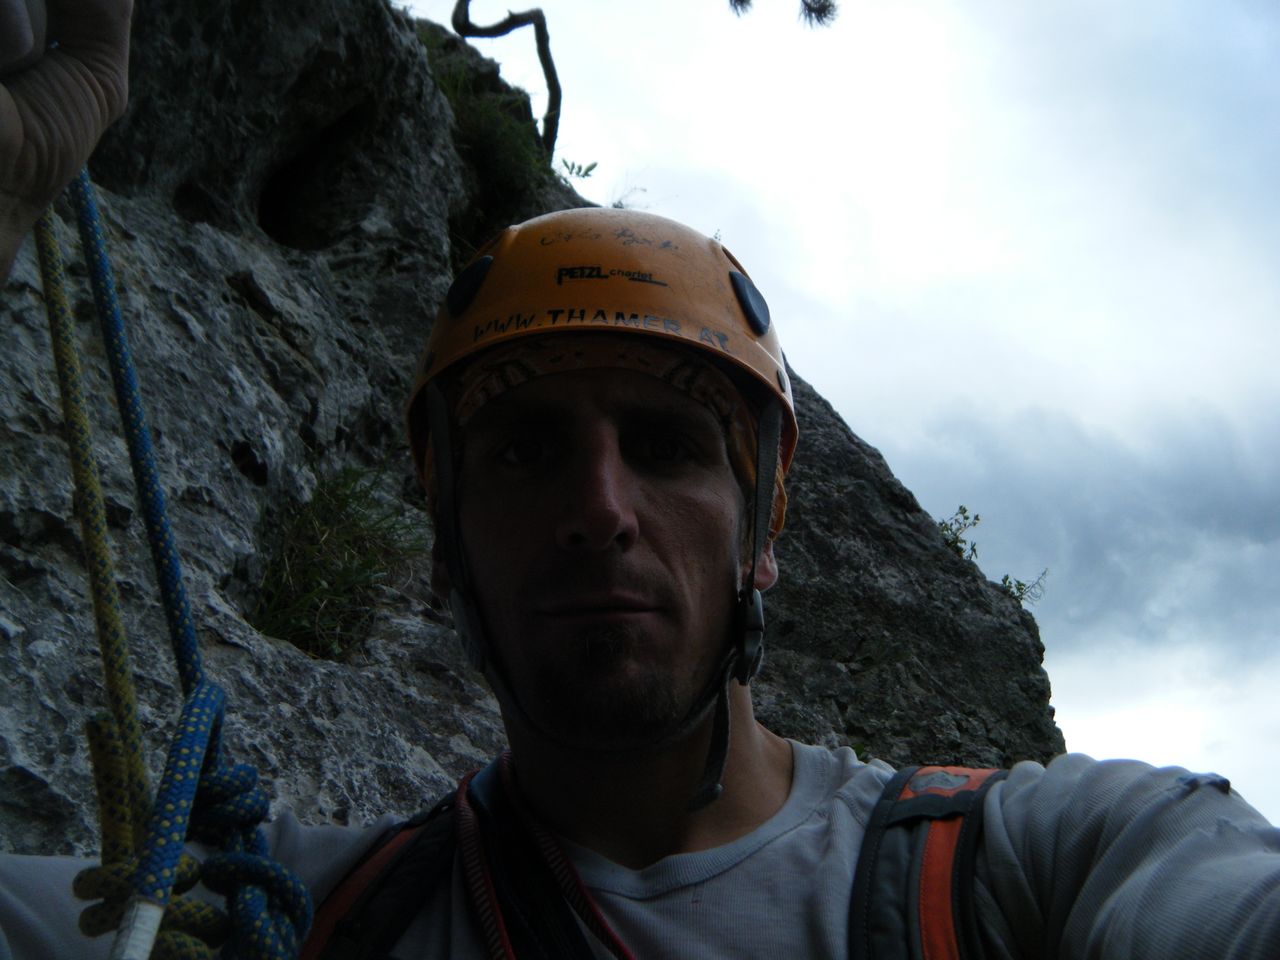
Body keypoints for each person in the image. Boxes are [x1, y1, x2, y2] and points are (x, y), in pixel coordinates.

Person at [2, 4, 1278, 959]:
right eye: (524, 450)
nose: (600, 510)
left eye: (667, 446)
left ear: (760, 531)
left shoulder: (1044, 865)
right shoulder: (269, 918)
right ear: (445, 541)